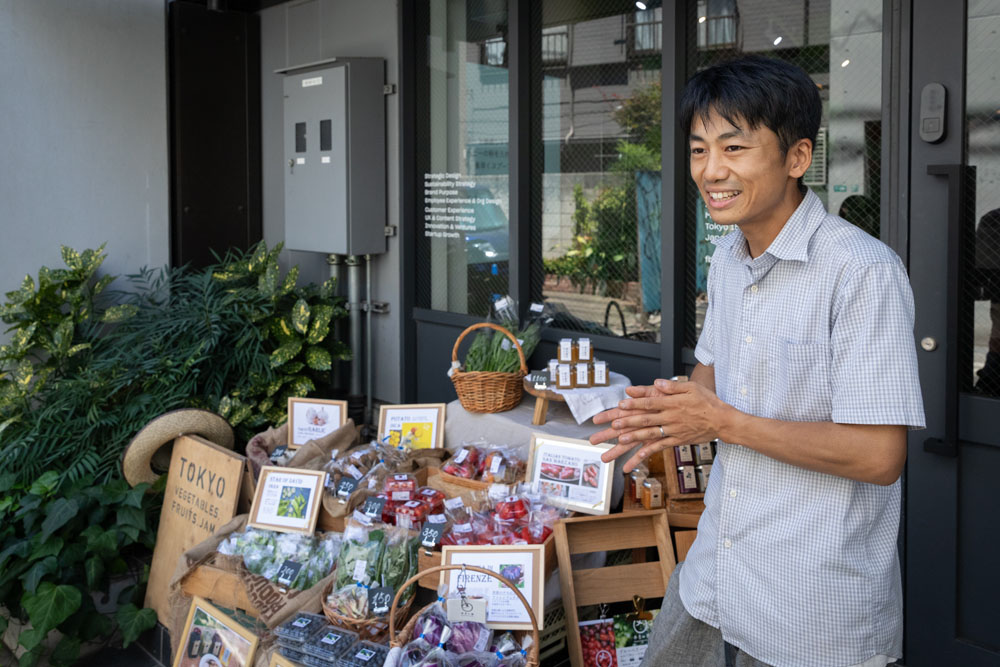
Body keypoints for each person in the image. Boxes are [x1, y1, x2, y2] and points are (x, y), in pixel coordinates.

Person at [590, 55, 925, 667]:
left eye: (734, 148)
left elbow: (879, 456)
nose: (710, 171)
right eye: (698, 150)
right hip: (718, 567)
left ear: (797, 158)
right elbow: (710, 376)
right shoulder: (728, 257)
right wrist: (666, 414)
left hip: (811, 600)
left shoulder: (862, 273)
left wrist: (719, 422)